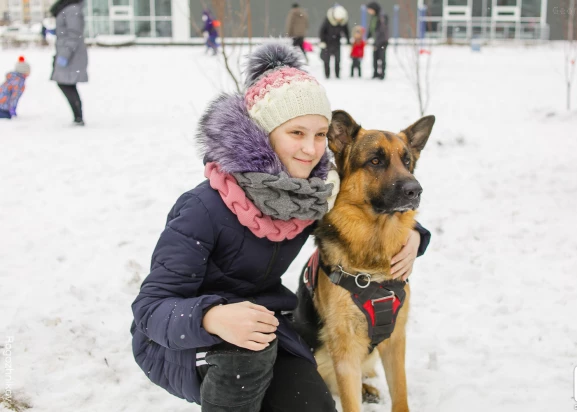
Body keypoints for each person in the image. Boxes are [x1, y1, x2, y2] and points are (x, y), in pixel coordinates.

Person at [130, 43, 431, 411]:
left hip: (264, 327)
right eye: (296, 133)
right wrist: (212, 317)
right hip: (187, 339)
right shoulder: (202, 208)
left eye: (320, 135)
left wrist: (417, 236)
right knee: (244, 359)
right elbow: (149, 309)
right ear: (265, 132)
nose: (311, 149)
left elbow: (358, 216)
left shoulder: (308, 197)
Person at [50, 0, 88, 126]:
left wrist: (64, 56)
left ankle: (78, 117)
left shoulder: (72, 9)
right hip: (67, 52)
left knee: (65, 84)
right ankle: (78, 116)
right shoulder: (69, 8)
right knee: (67, 84)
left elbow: (74, 35)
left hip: (71, 56)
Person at [319, 5, 350, 79]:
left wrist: (348, 40)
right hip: (327, 43)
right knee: (326, 60)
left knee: (337, 60)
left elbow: (346, 31)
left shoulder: (343, 21)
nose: (339, 20)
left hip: (337, 42)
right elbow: (322, 31)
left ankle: (337, 75)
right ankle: (327, 75)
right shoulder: (327, 20)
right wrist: (322, 41)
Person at [366, 2, 389, 80]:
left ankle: (382, 74)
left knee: (381, 58)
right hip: (376, 40)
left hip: (382, 41)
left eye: (369, 9)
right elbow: (372, 28)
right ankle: (375, 73)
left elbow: (381, 31)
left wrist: (377, 44)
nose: (368, 11)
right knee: (375, 57)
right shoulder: (374, 17)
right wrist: (367, 37)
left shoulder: (382, 17)